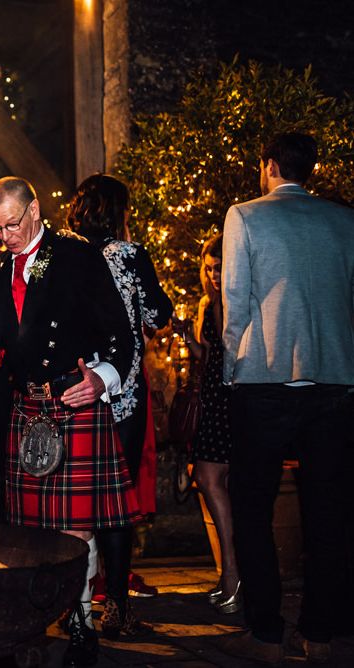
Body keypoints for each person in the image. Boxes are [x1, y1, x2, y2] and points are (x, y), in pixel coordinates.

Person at [0, 176, 137, 668]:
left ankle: (81, 619)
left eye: (12, 224)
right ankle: (38, 613)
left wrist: (103, 379)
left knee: (77, 528)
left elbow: (121, 335)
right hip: (24, 406)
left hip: (74, 400)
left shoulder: (77, 256)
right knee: (31, 526)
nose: (4, 237)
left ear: (35, 208)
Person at [220, 132, 354, 665]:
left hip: (266, 381)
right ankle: (318, 633)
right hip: (335, 381)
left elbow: (235, 298)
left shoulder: (245, 215)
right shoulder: (345, 221)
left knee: (252, 507)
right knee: (329, 511)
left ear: (268, 165)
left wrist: (232, 366)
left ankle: (266, 632)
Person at [65, 174, 172, 635]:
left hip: (71, 388)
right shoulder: (128, 254)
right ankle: (117, 609)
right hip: (122, 391)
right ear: (119, 211)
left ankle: (74, 604)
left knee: (71, 500)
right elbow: (158, 316)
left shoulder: (58, 253)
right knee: (116, 502)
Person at [174, 233, 240, 612]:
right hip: (214, 396)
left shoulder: (234, 298)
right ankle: (230, 573)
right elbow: (208, 355)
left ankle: (232, 572)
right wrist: (186, 335)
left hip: (232, 397)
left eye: (221, 267)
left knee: (210, 477)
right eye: (209, 268)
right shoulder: (206, 302)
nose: (214, 274)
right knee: (213, 480)